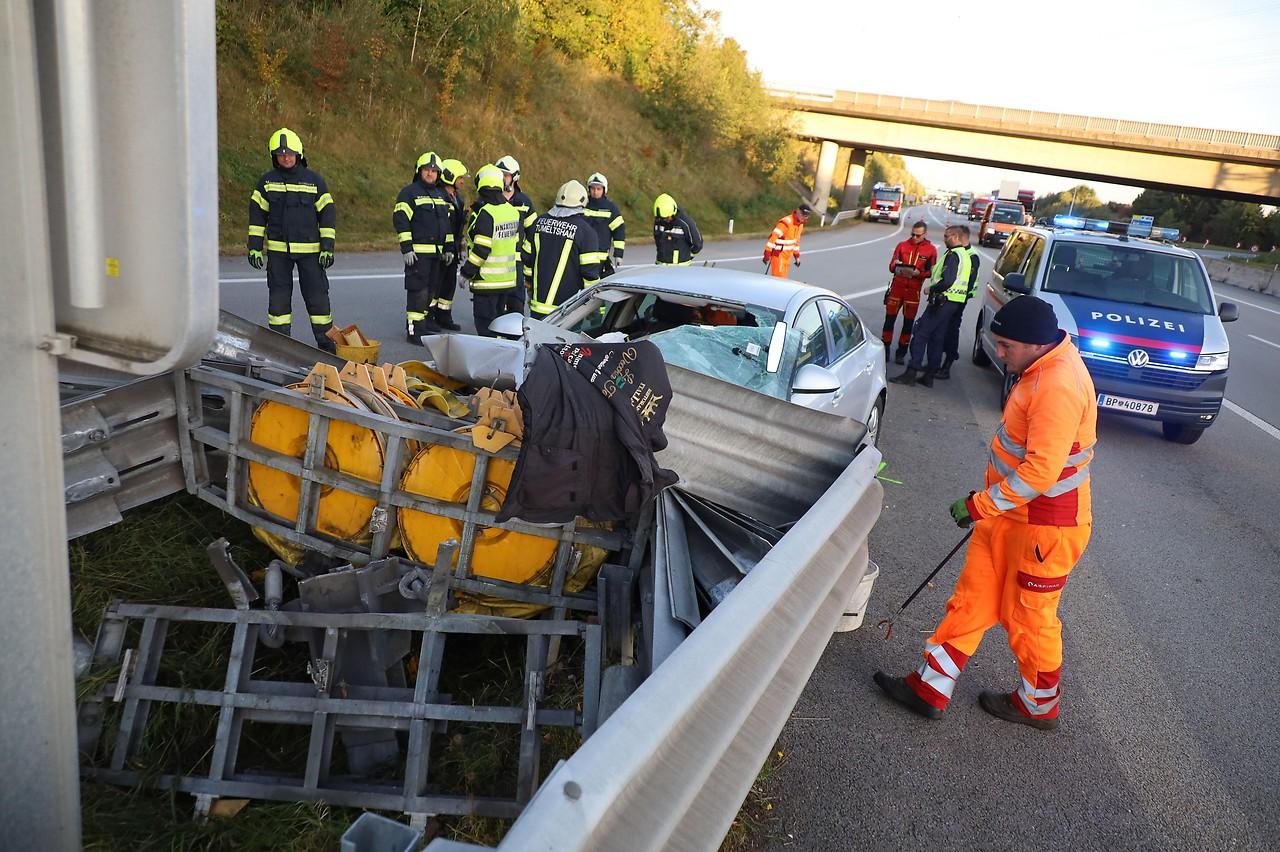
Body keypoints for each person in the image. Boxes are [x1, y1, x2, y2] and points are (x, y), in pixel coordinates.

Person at [874, 295, 1097, 731]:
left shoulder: (1058, 384)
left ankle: (1038, 705)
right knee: (971, 601)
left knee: (1030, 619)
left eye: (1005, 346)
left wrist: (980, 504)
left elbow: (1041, 472)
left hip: (1045, 528)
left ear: (1034, 344)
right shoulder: (1038, 368)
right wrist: (990, 507)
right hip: (1009, 517)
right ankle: (929, 687)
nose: (998, 353)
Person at [247, 127, 337, 352]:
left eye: (289, 153)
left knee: (317, 297)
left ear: (299, 154)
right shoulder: (267, 182)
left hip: (311, 252)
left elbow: (327, 214)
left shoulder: (314, 181)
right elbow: (257, 216)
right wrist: (254, 248)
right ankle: (280, 345)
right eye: (281, 154)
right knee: (278, 299)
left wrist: (327, 247)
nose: (286, 157)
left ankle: (326, 343)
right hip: (278, 252)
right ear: (274, 156)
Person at [889, 226, 970, 387]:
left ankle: (911, 372)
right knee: (937, 337)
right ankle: (929, 375)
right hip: (954, 302)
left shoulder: (954, 255)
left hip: (942, 300)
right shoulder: (965, 255)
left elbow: (947, 280)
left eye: (947, 236)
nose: (944, 239)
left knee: (920, 333)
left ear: (955, 237)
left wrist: (930, 289)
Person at [393, 151, 453, 342]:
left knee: (431, 291)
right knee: (417, 292)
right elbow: (401, 221)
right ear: (419, 171)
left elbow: (447, 226)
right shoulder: (409, 193)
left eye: (434, 171)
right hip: (418, 254)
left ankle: (424, 325)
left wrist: (449, 248)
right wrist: (407, 248)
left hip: (436, 255)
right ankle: (414, 331)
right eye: (427, 170)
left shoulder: (441, 195)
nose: (430, 174)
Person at [524, 180, 605, 317]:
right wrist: (596, 310)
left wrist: (530, 284)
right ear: (583, 203)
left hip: (538, 308)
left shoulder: (538, 223)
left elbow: (526, 259)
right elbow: (590, 275)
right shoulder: (586, 232)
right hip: (567, 312)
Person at [460, 164, 522, 336]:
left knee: (486, 328)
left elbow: (481, 250)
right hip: (507, 281)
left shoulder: (486, 214)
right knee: (500, 327)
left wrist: (466, 273)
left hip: (487, 282)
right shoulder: (511, 211)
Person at [881, 221, 937, 363]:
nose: (914, 237)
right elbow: (891, 265)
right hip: (897, 288)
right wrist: (896, 265)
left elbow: (932, 272)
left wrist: (920, 273)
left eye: (918, 235)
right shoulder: (902, 245)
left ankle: (901, 352)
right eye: (912, 234)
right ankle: (885, 348)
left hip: (913, 291)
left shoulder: (931, 250)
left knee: (908, 323)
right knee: (889, 320)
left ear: (924, 234)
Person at [937, 225, 981, 379]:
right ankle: (936, 362)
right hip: (948, 297)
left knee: (951, 331)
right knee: (941, 329)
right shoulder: (955, 251)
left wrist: (958, 299)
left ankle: (947, 364)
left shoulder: (971, 256)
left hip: (958, 300)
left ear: (959, 237)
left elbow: (969, 281)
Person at [436, 158, 469, 330]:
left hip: (454, 248)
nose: (462, 181)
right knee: (436, 284)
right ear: (449, 176)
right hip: (442, 250)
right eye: (460, 177)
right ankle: (432, 317)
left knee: (449, 284)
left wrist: (462, 243)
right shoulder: (439, 197)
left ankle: (444, 316)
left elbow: (458, 226)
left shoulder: (458, 199)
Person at [583, 173, 626, 276]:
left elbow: (619, 231)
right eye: (593, 189)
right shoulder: (583, 205)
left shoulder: (611, 209)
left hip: (601, 258)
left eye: (598, 189)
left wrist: (618, 254)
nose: (595, 192)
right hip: (582, 255)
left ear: (604, 190)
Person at [763, 204, 811, 278]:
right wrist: (767, 253)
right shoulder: (786, 222)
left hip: (788, 256)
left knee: (784, 280)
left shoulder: (800, 225)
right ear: (798, 211)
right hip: (779, 255)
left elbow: (796, 241)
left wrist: (797, 256)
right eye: (803, 214)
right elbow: (773, 237)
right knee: (778, 280)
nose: (804, 217)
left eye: (806, 216)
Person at [653, 194, 702, 266]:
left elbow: (697, 244)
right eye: (661, 218)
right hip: (660, 268)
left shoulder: (685, 223)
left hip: (680, 270)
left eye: (667, 218)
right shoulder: (658, 222)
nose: (665, 221)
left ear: (673, 212)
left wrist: (688, 256)